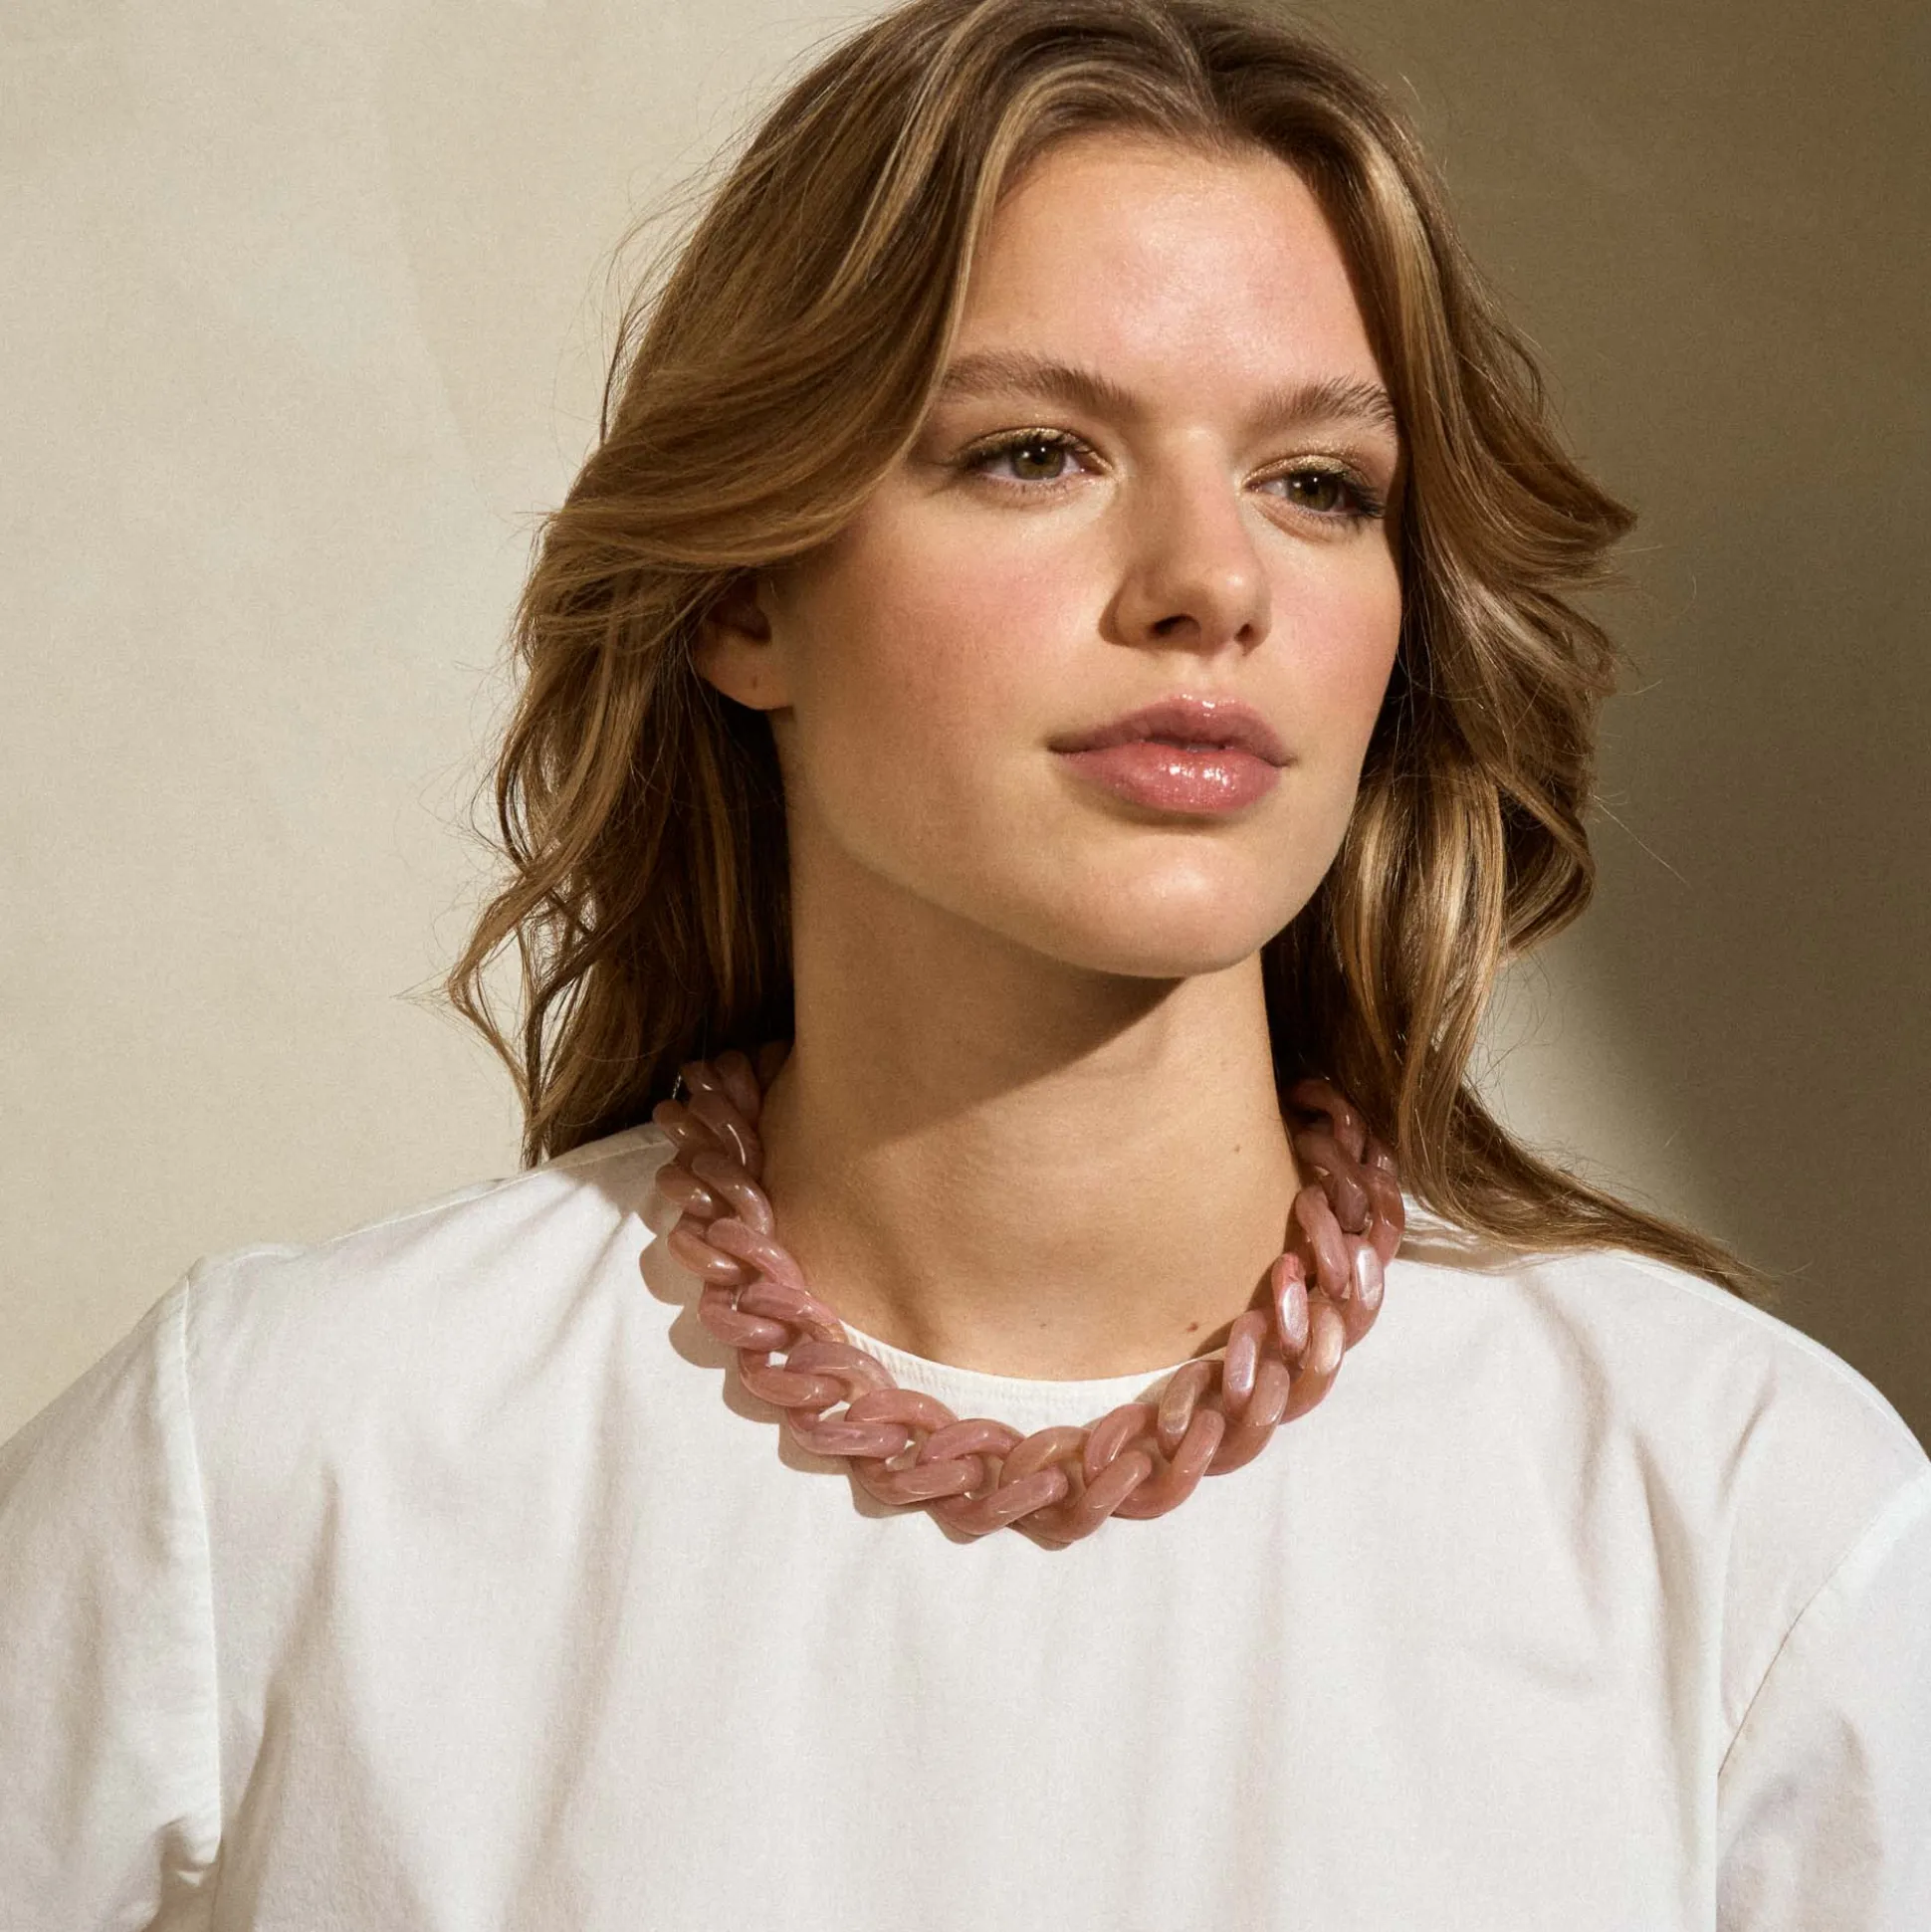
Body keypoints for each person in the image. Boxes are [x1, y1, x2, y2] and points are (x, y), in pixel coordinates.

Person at [3, 0, 1926, 1922]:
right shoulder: (280, 1463)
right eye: (1034, 453)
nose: (1212, 582)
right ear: (747, 593)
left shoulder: (1743, 1517)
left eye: (1319, 484)